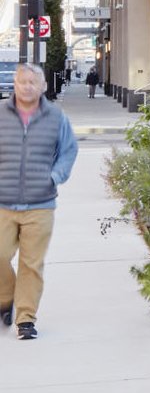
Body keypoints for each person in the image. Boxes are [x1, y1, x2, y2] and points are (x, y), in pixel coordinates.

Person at [0, 63, 78, 340]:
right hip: (3, 203)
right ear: (15, 84)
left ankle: (25, 319)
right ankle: (5, 298)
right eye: (22, 81)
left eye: (33, 82)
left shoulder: (56, 117)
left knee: (31, 265)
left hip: (41, 203)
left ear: (43, 86)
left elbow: (69, 150)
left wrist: (55, 177)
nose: (27, 86)